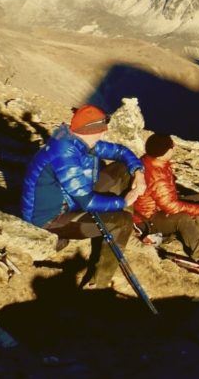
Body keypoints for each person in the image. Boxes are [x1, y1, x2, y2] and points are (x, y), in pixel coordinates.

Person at [20, 104, 146, 289]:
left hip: (72, 201)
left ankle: (118, 232)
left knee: (122, 169)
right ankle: (98, 283)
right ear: (89, 131)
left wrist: (138, 172)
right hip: (51, 218)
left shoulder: (80, 141)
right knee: (122, 221)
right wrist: (124, 201)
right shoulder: (64, 153)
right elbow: (87, 202)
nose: (103, 135)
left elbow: (120, 151)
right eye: (101, 131)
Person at [132, 133, 199, 267]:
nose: (175, 147)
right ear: (165, 152)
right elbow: (170, 207)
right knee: (182, 218)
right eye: (172, 146)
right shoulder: (156, 174)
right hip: (149, 220)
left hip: (158, 207)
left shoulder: (153, 160)